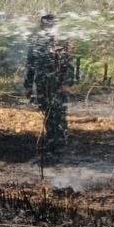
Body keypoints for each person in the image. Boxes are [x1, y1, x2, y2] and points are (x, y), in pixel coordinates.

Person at [24, 13, 76, 156]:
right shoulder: (35, 41)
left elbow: (70, 65)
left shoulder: (63, 40)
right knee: (47, 113)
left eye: (51, 24)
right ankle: (51, 141)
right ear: (41, 25)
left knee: (59, 113)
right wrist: (28, 86)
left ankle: (61, 144)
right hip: (42, 84)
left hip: (58, 85)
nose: (49, 27)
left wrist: (66, 84)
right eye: (46, 24)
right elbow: (30, 65)